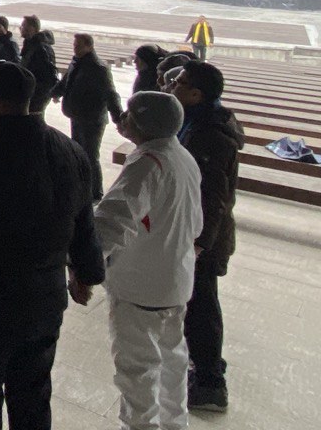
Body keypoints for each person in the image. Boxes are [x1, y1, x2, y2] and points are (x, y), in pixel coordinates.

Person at [0, 61, 104, 430]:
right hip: (45, 300)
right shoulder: (70, 150)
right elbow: (83, 222)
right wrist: (86, 272)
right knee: (33, 397)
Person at [94, 91, 203, 430]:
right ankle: (174, 424)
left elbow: (111, 223)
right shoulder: (182, 156)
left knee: (138, 374)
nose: (123, 118)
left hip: (141, 287)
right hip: (175, 281)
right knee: (172, 364)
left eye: (129, 113)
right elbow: (196, 224)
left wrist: (85, 268)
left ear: (143, 123)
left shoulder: (147, 164)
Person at [172, 62, 243, 413]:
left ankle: (211, 384)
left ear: (196, 94)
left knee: (201, 308)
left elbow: (213, 196)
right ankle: (204, 364)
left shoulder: (210, 135)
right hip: (198, 233)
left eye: (180, 81)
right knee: (197, 306)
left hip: (203, 239)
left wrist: (198, 245)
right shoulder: (199, 122)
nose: (173, 84)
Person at [51, 33, 122, 200]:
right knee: (77, 151)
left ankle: (95, 192)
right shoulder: (77, 62)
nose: (75, 49)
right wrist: (55, 93)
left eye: (78, 46)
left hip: (92, 119)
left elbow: (110, 94)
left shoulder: (98, 68)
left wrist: (118, 118)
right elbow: (66, 81)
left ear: (89, 46)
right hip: (77, 115)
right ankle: (81, 185)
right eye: (74, 45)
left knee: (90, 155)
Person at [19, 15, 58, 118]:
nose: (20, 28)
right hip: (29, 92)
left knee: (33, 120)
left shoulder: (41, 48)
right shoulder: (30, 44)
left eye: (23, 25)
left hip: (36, 96)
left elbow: (48, 75)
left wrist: (34, 94)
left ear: (32, 28)